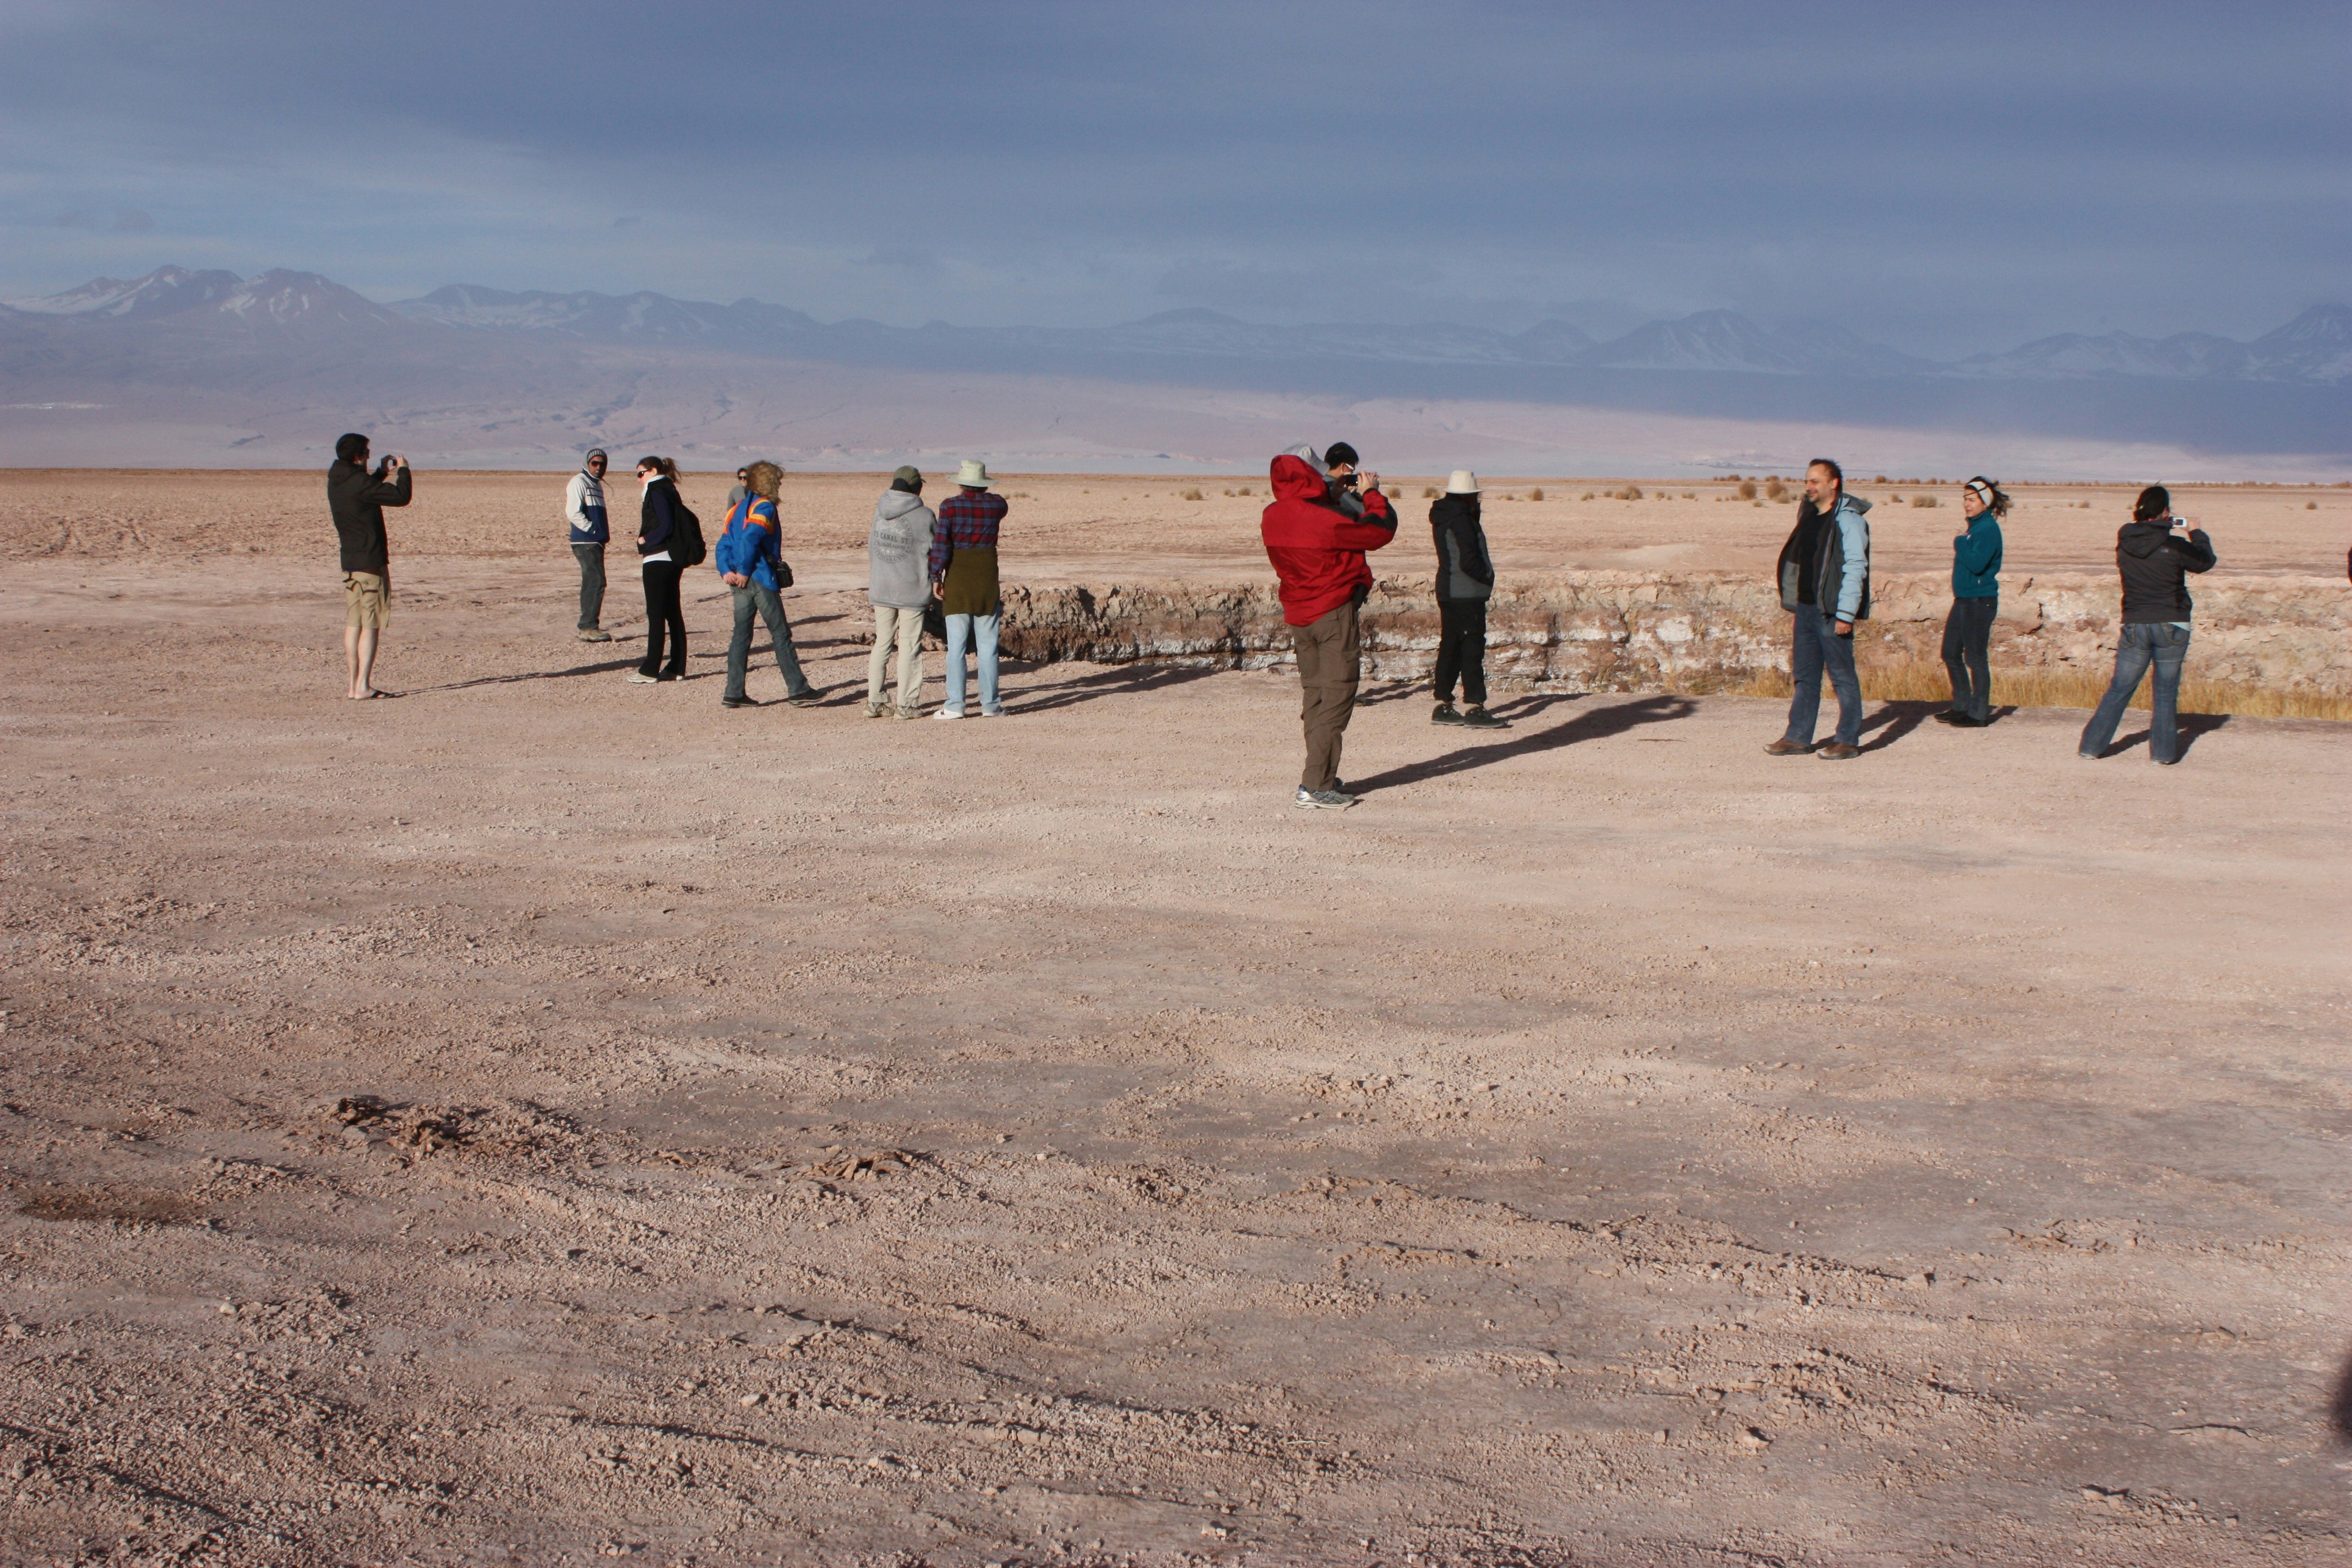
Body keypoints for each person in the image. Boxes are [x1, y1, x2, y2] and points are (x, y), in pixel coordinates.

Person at [1261, 445, 1397, 808]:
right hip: (1332, 613)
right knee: (1337, 697)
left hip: (1299, 614)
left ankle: (1321, 772)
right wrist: (1371, 496)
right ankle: (1315, 786)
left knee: (1316, 696)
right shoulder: (1323, 519)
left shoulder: (1272, 515)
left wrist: (1334, 495)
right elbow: (1379, 532)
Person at [2078, 486, 2215, 766]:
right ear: (2166, 512)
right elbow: (2204, 561)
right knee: (2165, 691)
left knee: (2120, 687)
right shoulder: (2174, 545)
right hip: (2172, 622)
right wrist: (2196, 532)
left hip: (2135, 622)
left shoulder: (2125, 541)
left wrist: (2161, 526)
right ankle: (2162, 754)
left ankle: (2092, 746)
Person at [1765, 459, 1872, 760]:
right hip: (1806, 609)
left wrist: (1846, 614)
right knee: (1805, 677)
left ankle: (1847, 740)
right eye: (1807, 481)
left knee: (1842, 677)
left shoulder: (1849, 520)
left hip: (1833, 612)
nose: (1808, 487)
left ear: (1833, 483)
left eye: (1815, 481)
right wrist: (1797, 606)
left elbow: (1856, 567)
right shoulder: (1809, 516)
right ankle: (1797, 738)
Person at [715, 460, 818, 709]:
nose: (780, 484)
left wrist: (726, 570)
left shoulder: (737, 508)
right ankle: (798, 690)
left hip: (738, 579)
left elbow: (724, 543)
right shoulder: (764, 507)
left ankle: (734, 692)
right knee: (780, 634)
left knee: (741, 636)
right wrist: (744, 571)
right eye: (777, 480)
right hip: (759, 577)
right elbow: (750, 538)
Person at [326, 432, 410, 700]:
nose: (369, 455)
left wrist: (380, 474)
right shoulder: (359, 482)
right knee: (370, 623)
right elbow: (401, 497)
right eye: (366, 452)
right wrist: (403, 471)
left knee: (354, 623)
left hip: (351, 561)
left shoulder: (338, 479)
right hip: (370, 562)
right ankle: (362, 686)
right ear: (358, 455)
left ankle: (354, 685)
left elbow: (363, 491)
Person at [929, 459, 1009, 718]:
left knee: (957, 647)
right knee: (988, 646)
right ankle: (991, 705)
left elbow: (942, 544)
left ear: (961, 483)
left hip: (958, 579)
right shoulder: (997, 505)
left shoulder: (950, 506)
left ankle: (955, 705)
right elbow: (1000, 504)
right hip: (986, 579)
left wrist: (936, 575)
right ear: (984, 483)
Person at [1429, 469, 1505, 729]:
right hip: (1466, 594)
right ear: (1468, 497)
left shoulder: (1444, 516)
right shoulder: (1462, 520)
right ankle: (1475, 706)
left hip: (1449, 590)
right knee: (1472, 648)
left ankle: (1443, 704)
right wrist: (1486, 578)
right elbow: (1469, 560)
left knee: (1451, 646)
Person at [1936, 476, 2007, 727]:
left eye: (1972, 499)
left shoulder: (1987, 529)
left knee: (1975, 658)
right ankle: (1961, 705)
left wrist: (1959, 543)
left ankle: (1978, 714)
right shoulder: (1975, 529)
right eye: (1965, 499)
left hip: (1979, 601)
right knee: (1950, 653)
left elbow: (1977, 564)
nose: (1967, 504)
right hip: (1965, 600)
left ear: (1985, 503)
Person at [867, 465, 934, 718]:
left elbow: (872, 546)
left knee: (882, 643)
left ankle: (875, 701)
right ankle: (906, 705)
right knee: (909, 647)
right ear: (916, 486)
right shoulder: (925, 515)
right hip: (911, 590)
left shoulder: (880, 510)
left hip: (882, 586)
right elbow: (936, 550)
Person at [631, 456, 688, 684]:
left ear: (653, 471)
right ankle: (676, 667)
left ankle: (650, 670)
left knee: (656, 614)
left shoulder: (656, 491)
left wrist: (646, 540)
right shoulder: (669, 489)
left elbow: (666, 525)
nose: (639, 479)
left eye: (641, 473)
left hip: (658, 559)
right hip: (672, 559)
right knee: (672, 612)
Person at [564, 448, 613, 642]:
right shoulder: (579, 482)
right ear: (587, 463)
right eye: (595, 463)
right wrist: (592, 530)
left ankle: (589, 625)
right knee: (596, 581)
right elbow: (573, 512)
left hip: (595, 541)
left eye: (602, 464)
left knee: (593, 581)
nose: (599, 467)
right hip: (586, 541)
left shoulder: (596, 484)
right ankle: (588, 627)